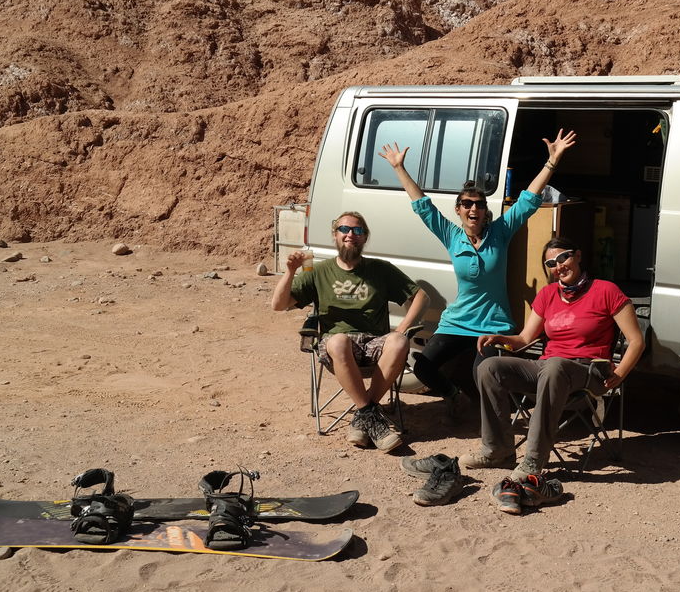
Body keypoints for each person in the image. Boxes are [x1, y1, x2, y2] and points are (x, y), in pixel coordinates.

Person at [377, 129, 577, 401]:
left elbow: (528, 200)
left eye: (479, 205)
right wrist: (399, 168)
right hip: (457, 323)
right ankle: (455, 396)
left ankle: (486, 413)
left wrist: (552, 161)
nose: (474, 209)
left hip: (494, 324)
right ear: (459, 209)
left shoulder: (501, 231)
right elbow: (423, 206)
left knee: (484, 373)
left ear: (485, 211)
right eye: (467, 204)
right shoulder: (451, 235)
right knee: (423, 366)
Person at [467, 236, 645, 481]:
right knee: (490, 367)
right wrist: (499, 338)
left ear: (578, 256)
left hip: (589, 371)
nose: (559, 266)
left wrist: (621, 373)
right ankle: (497, 449)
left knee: (554, 366)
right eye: (551, 263)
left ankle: (534, 460)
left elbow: (636, 341)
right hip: (548, 369)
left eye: (563, 257)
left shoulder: (606, 290)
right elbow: (525, 338)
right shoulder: (548, 294)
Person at [272, 210, 428, 453]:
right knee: (338, 341)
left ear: (365, 237)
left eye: (357, 230)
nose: (350, 235)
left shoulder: (381, 270)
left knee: (398, 342)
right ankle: (371, 415)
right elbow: (278, 305)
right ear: (334, 235)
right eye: (344, 229)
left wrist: (402, 328)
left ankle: (364, 415)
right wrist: (291, 271)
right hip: (337, 348)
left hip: (374, 343)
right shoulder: (318, 270)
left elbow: (420, 297)